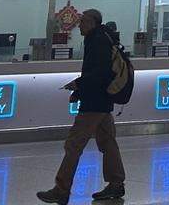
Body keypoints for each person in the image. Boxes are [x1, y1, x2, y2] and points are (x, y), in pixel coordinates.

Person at [37, 10, 126, 204]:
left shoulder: (97, 40)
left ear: (92, 22)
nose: (79, 25)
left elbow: (100, 72)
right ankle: (116, 183)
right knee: (108, 142)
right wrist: (80, 90)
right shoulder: (104, 37)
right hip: (102, 100)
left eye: (83, 21)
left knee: (74, 144)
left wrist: (79, 84)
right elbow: (99, 72)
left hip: (94, 103)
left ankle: (61, 189)